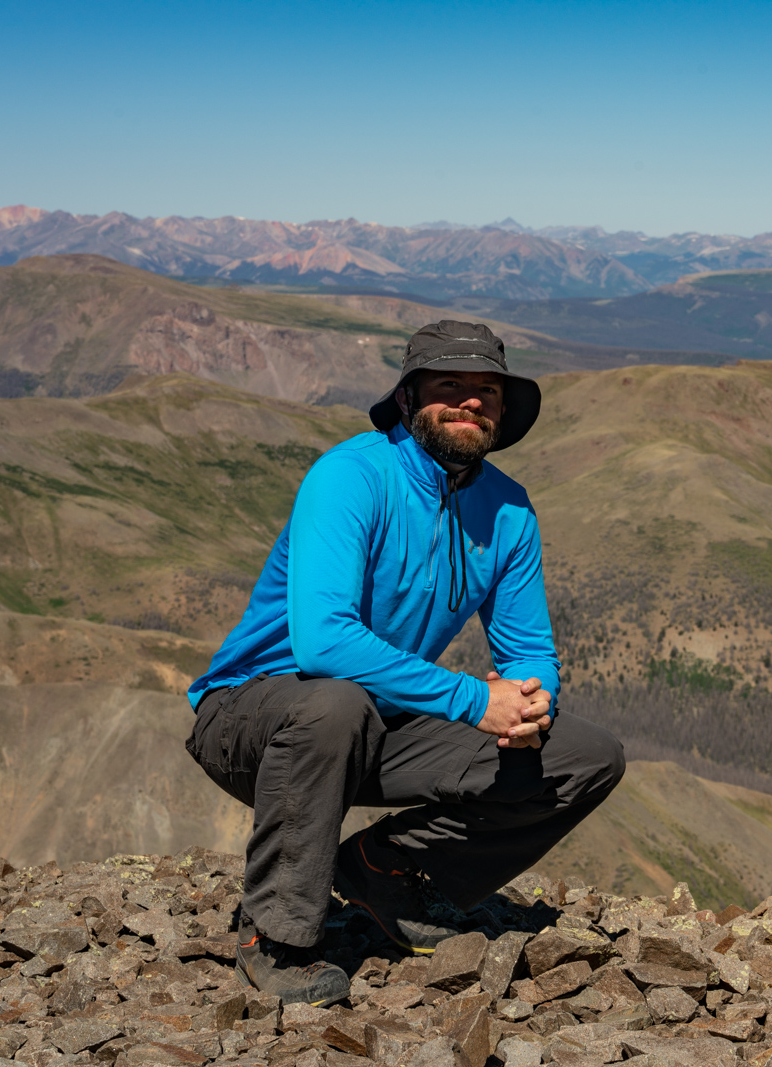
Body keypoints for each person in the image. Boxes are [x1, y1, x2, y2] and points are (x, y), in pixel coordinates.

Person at [184, 320, 624, 1006]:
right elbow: (322, 642)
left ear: (505, 410)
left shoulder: (507, 510)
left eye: (487, 391)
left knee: (584, 754)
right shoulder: (351, 476)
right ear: (409, 395)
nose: (470, 402)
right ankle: (274, 936)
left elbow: (528, 648)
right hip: (252, 717)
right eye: (449, 385)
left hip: (376, 723)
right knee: (334, 702)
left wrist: (533, 704)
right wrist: (476, 701)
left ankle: (386, 868)